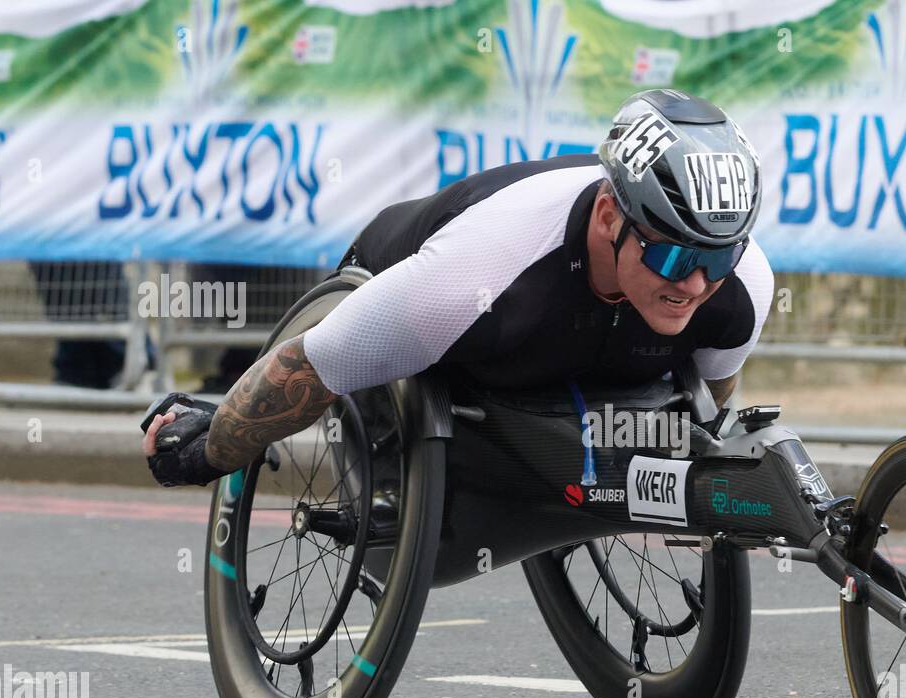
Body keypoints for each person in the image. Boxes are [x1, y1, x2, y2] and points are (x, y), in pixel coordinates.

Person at [144, 89, 774, 487]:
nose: (695, 284)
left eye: (716, 260)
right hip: (410, 280)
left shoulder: (743, 286)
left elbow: (706, 413)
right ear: (611, 218)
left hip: (562, 337)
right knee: (400, 496)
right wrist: (209, 453)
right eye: (670, 256)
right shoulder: (475, 276)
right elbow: (309, 363)